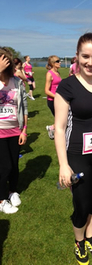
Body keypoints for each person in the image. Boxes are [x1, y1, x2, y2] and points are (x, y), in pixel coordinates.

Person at [54, 32, 92, 265]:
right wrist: (63, 165)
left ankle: (90, 236)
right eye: (85, 56)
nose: (90, 62)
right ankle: (79, 241)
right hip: (77, 154)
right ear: (77, 56)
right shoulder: (66, 86)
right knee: (82, 201)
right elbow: (59, 129)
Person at [0, 47, 28, 214]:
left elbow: (24, 107)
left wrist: (24, 130)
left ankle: (13, 191)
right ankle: (1, 199)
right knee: (4, 167)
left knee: (14, 165)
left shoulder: (17, 82)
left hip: (14, 131)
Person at [45, 55, 62, 140]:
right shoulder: (49, 74)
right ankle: (52, 129)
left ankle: (52, 128)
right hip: (52, 100)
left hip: (59, 99)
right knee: (61, 118)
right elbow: (46, 91)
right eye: (58, 61)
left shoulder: (58, 73)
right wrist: (57, 96)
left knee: (62, 117)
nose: (60, 63)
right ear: (52, 63)